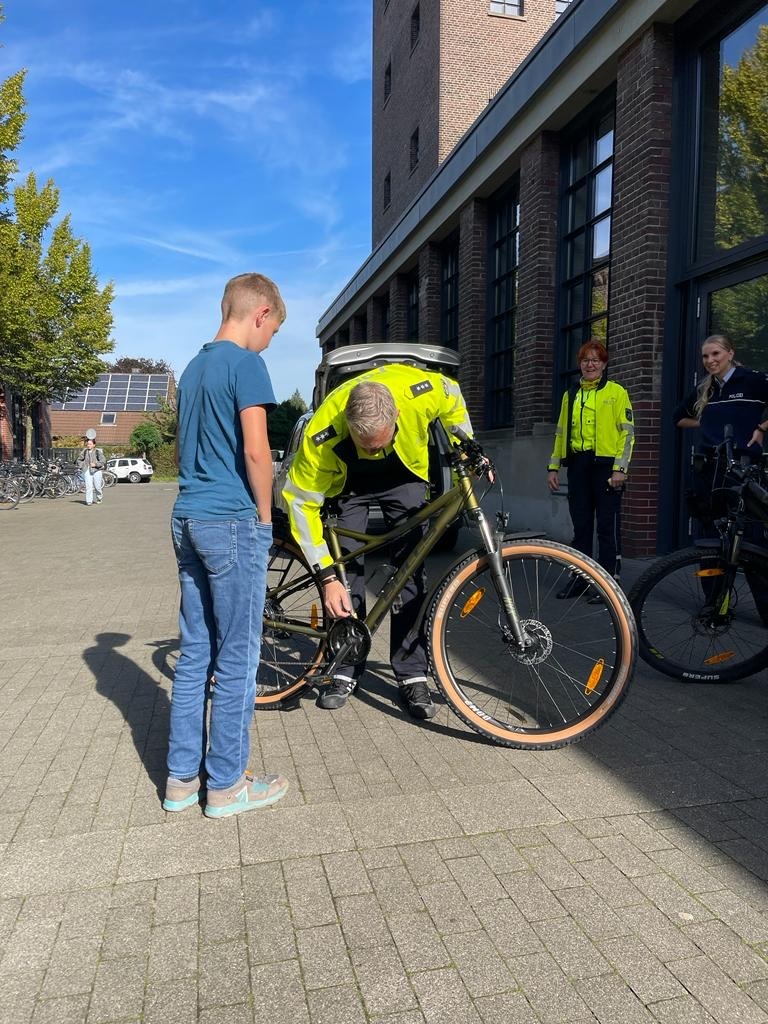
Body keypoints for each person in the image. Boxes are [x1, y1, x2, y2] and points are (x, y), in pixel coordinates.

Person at [164, 273, 290, 818]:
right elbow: (257, 452)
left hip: (186, 516)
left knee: (195, 654)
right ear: (260, 313)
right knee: (239, 657)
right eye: (274, 331)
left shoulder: (192, 368)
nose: (270, 343)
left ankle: (179, 782)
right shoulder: (246, 364)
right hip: (230, 521)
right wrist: (265, 519)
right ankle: (226, 786)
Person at [283, 364, 474, 718]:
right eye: (364, 445)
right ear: (348, 427)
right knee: (346, 574)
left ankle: (412, 673)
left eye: (378, 444)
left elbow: (454, 398)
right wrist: (325, 577)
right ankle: (345, 665)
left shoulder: (420, 390)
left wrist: (466, 446)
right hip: (348, 483)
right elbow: (299, 503)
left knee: (411, 573)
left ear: (397, 414)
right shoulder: (322, 432)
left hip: (404, 475)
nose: (372, 451)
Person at [547, 340, 634, 602]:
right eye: (585, 360)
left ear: (604, 365)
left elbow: (628, 434)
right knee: (581, 527)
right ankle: (580, 579)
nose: (590, 364)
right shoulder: (570, 394)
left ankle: (610, 583)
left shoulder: (616, 392)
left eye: (596, 360)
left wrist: (621, 469)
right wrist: (553, 467)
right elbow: (561, 433)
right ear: (579, 364)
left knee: (607, 528)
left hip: (607, 468)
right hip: (578, 466)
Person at [674, 334, 768, 531]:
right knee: (709, 530)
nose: (710, 361)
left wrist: (761, 428)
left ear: (730, 353)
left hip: (742, 467)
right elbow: (678, 418)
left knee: (745, 531)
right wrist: (706, 422)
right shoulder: (704, 389)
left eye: (715, 353)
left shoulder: (751, 379)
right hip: (708, 469)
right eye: (705, 356)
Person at [76, 430, 105, 506]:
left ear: (94, 445)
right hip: (87, 471)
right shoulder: (84, 451)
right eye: (88, 444)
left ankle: (99, 497)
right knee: (88, 487)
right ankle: (89, 501)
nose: (88, 445)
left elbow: (103, 461)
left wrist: (95, 464)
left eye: (90, 444)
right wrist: (83, 466)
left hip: (97, 471)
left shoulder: (98, 452)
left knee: (97, 487)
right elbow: (79, 460)